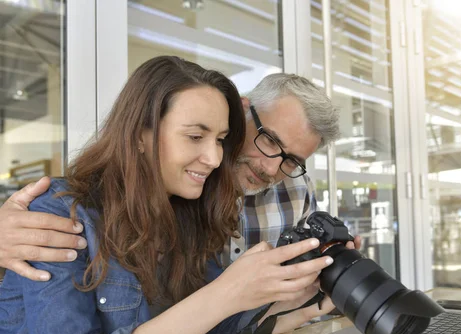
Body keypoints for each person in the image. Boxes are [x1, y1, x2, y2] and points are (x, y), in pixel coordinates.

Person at [0, 56, 336, 334]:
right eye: (194, 136)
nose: (214, 157)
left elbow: (223, 324)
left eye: (220, 139)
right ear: (141, 134)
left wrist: (307, 296)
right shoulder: (61, 215)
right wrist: (225, 293)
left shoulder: (183, 213)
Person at [0, 72, 358, 321]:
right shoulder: (171, 182)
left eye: (291, 160)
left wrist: (327, 273)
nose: (270, 167)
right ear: (242, 109)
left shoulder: (294, 189)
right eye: (270, 141)